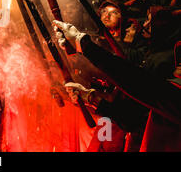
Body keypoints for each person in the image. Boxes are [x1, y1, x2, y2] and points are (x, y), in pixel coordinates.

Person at [53, 10, 181, 151]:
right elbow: (133, 118)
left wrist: (83, 44)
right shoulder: (150, 52)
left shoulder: (154, 56)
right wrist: (91, 96)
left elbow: (140, 83)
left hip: (121, 130)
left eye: (113, 13)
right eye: (104, 12)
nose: (145, 24)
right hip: (114, 121)